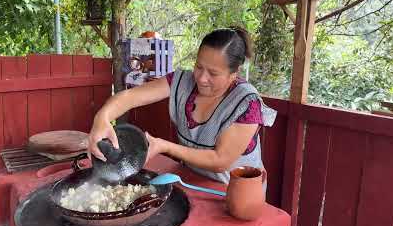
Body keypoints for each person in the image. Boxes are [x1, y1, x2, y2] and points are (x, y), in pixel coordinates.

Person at [88, 27, 277, 186]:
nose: (202, 78)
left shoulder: (247, 103)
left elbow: (220, 161)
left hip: (234, 193)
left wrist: (164, 146)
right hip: (191, 182)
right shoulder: (181, 81)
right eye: (198, 67)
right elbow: (129, 97)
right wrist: (102, 118)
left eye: (213, 73)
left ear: (233, 74)